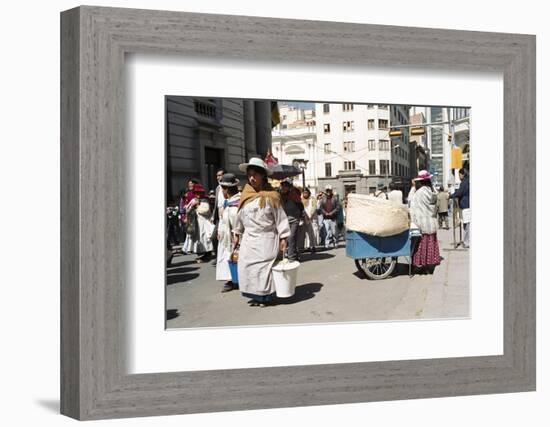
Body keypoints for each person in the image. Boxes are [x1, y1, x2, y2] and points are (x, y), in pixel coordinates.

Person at [233, 158, 290, 307]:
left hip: (267, 238)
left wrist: (284, 236)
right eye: (250, 174)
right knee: (247, 267)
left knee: (263, 268)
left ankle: (265, 297)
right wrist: (237, 232)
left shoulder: (272, 196)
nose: (252, 178)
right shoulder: (245, 195)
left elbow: (280, 217)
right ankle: (254, 295)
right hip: (249, 239)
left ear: (263, 176)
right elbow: (240, 215)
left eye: (255, 175)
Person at [409, 170, 441, 274]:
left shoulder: (419, 193)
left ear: (420, 181)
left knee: (421, 246)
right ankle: (429, 265)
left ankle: (421, 265)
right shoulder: (432, 191)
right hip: (432, 223)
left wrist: (413, 221)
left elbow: (412, 208)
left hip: (422, 225)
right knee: (430, 244)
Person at [215, 173, 241, 292]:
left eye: (222, 189)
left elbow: (237, 224)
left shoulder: (235, 205)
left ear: (227, 190)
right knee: (228, 258)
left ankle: (234, 280)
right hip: (226, 237)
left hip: (232, 239)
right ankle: (231, 279)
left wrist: (236, 237)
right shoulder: (229, 202)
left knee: (233, 259)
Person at [182, 183, 215, 262]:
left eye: (199, 192)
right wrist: (190, 208)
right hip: (195, 222)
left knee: (205, 238)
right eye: (196, 192)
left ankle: (207, 254)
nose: (197, 194)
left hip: (204, 222)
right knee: (198, 238)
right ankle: (201, 254)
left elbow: (206, 210)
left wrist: (197, 207)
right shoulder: (193, 200)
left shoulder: (205, 200)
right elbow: (187, 209)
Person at [279, 180, 304, 261]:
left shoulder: (293, 194)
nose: (283, 188)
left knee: (291, 237)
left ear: (288, 187)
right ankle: (295, 253)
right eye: (282, 186)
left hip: (294, 220)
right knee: (287, 238)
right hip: (284, 220)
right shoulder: (280, 196)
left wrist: (301, 216)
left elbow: (301, 205)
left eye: (285, 186)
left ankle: (291, 257)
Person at [209, 168, 226, 265]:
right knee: (214, 237)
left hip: (228, 215)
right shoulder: (217, 188)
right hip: (219, 217)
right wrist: (213, 216)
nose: (218, 177)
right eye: (217, 176)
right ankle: (217, 256)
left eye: (220, 175)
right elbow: (216, 204)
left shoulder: (229, 187)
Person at [450, 168, 470, 248]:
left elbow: (459, 193)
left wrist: (451, 195)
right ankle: (466, 241)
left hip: (466, 206)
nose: (459, 176)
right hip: (466, 206)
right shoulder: (466, 182)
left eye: (459, 174)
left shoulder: (464, 183)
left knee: (467, 225)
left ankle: (466, 242)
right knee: (466, 224)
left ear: (462, 174)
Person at [299, 187, 318, 253]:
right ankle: (306, 246)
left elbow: (314, 207)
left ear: (309, 193)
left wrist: (310, 216)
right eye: (304, 193)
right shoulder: (301, 200)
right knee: (305, 234)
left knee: (312, 233)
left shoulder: (312, 199)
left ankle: (313, 246)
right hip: (304, 218)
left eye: (306, 193)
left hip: (312, 218)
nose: (305, 194)